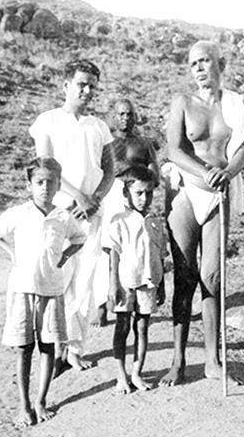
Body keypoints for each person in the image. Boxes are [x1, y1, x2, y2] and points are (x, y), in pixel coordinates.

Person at [160, 40, 244, 386]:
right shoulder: (183, 102)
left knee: (212, 278)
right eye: (193, 63)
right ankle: (178, 361)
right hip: (187, 192)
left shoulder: (234, 104)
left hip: (219, 194)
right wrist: (203, 172)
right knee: (184, 276)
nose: (198, 68)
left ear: (219, 64)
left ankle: (213, 360)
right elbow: (173, 150)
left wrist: (227, 172)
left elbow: (241, 149)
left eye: (205, 61)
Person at [29, 59, 115, 372]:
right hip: (58, 211)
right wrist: (77, 195)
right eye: (81, 84)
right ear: (66, 85)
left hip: (91, 211)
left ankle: (75, 348)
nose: (87, 90)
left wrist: (95, 198)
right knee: (56, 277)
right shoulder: (47, 121)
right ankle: (51, 349)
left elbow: (109, 170)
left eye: (92, 85)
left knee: (86, 280)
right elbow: (44, 166)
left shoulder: (98, 126)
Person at [0, 157, 86, 428]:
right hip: (22, 290)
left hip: (51, 290)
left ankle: (41, 400)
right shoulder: (19, 213)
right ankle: (24, 405)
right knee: (23, 349)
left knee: (47, 346)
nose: (45, 187)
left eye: (51, 183)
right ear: (28, 184)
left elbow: (80, 238)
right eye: (39, 182)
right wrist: (11, 253)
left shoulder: (63, 216)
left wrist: (65, 256)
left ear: (58, 186)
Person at [93, 99, 160, 327]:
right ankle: (102, 305)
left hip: (134, 196)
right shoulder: (106, 141)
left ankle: (134, 302)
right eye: (121, 114)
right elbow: (96, 170)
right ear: (113, 115)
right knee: (107, 251)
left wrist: (140, 185)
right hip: (110, 195)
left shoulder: (143, 143)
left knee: (134, 250)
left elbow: (155, 174)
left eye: (130, 114)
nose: (126, 118)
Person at [105, 166, 166, 394]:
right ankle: (121, 375)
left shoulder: (155, 221)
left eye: (149, 192)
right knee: (122, 327)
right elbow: (113, 254)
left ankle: (137, 372)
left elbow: (160, 254)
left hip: (149, 282)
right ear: (126, 193)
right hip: (125, 282)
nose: (144, 198)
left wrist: (162, 285)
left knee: (142, 327)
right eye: (139, 193)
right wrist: (113, 285)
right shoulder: (119, 220)